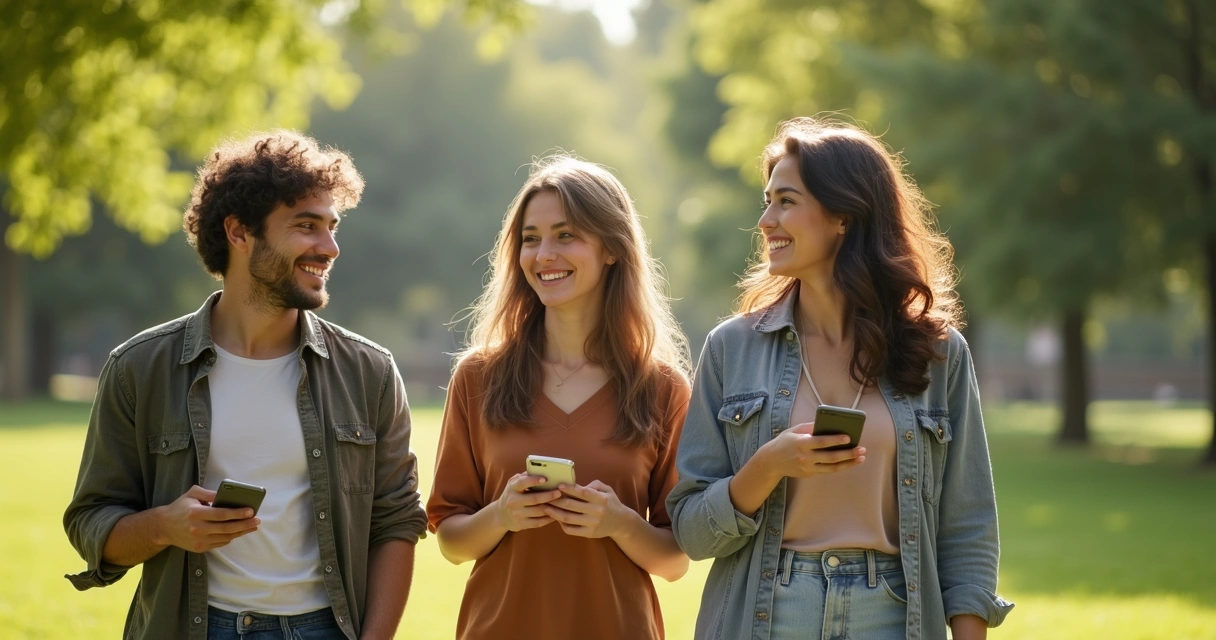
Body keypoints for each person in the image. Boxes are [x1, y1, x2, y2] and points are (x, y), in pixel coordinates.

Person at [63, 131, 428, 640]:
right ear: (238, 232)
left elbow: (395, 521)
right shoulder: (139, 367)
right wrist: (166, 526)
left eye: (331, 227)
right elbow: (91, 522)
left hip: (325, 629)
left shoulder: (369, 371)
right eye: (306, 226)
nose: (329, 247)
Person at [667, 117, 1014, 640]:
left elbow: (967, 528)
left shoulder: (938, 353)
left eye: (786, 201)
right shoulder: (730, 349)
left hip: (893, 616)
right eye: (767, 200)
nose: (765, 220)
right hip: (766, 615)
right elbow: (692, 531)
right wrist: (766, 467)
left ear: (843, 216)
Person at [426, 155, 691, 639]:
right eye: (531, 238)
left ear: (612, 248)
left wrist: (620, 524)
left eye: (565, 235)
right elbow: (451, 541)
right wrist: (501, 514)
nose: (544, 253)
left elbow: (675, 561)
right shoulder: (478, 377)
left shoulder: (663, 388)